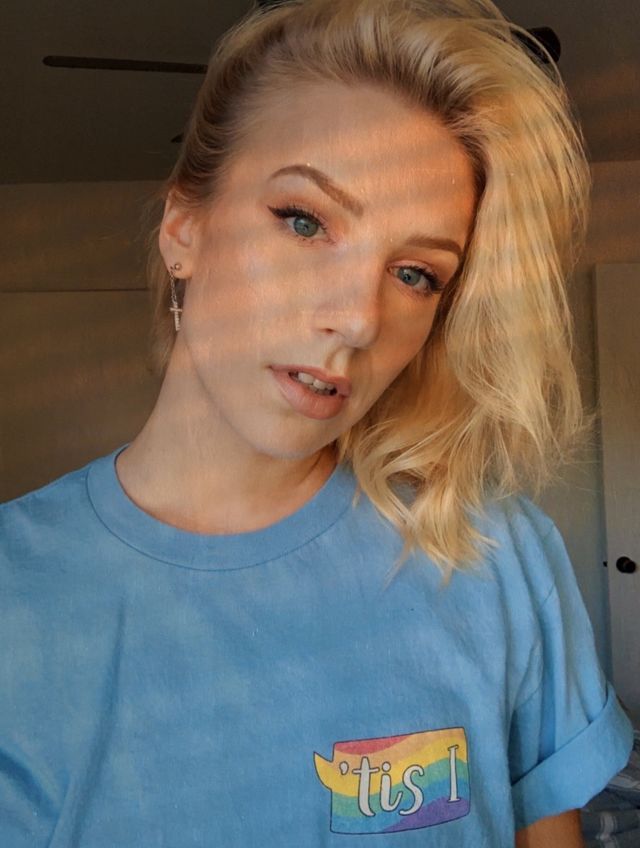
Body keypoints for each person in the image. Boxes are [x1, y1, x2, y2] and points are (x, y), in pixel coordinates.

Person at [0, 0, 633, 845]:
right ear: (184, 229)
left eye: (415, 274)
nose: (359, 319)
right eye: (305, 221)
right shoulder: (17, 594)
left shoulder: (493, 557)